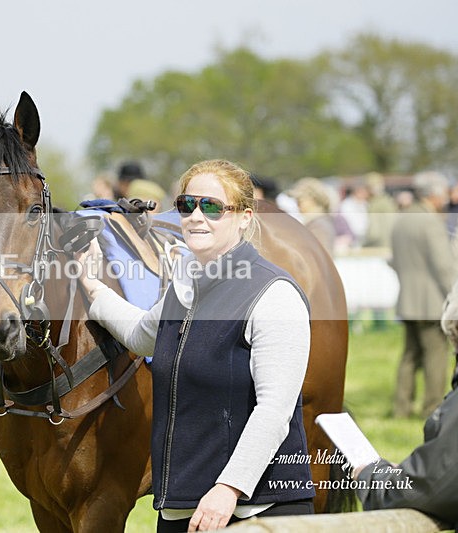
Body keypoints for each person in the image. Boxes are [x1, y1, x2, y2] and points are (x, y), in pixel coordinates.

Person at [79, 159, 315, 531]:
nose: (196, 216)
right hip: (182, 507)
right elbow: (142, 335)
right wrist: (93, 288)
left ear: (244, 217)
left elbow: (275, 410)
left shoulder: (273, 293)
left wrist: (229, 488)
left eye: (212, 207)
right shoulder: (184, 286)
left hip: (253, 511)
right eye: (188, 205)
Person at [354, 215, 458, 532]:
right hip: (430, 299)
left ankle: (409, 405)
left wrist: (372, 477)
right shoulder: (431, 222)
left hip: (415, 300)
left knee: (416, 359)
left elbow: (438, 482)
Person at [389, 171, 458, 418]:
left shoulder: (402, 219)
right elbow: (443, 266)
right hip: (431, 302)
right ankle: (432, 409)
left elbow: (392, 260)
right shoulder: (431, 222)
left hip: (407, 299)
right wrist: (457, 297)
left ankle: (401, 407)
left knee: (409, 356)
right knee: (436, 357)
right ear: (434, 195)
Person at [287, 177, 336, 254]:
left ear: (313, 199)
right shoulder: (317, 222)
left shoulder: (319, 225)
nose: (297, 204)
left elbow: (319, 258)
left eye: (300, 200)